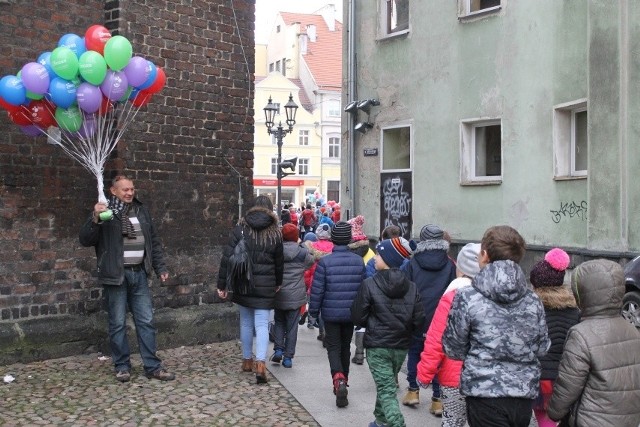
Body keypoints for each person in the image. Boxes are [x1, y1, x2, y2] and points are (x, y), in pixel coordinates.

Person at [442, 225, 550, 427]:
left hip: (484, 393)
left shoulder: (467, 297)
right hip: (522, 395)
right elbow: (542, 347)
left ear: (484, 255)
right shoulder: (533, 301)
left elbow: (452, 348)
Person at [79, 175, 174, 383]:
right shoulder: (105, 213)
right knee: (118, 323)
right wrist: (94, 217)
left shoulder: (141, 210)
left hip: (139, 273)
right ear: (113, 191)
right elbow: (85, 239)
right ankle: (122, 366)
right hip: (116, 275)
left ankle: (152, 366)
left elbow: (153, 241)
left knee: (146, 321)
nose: (130, 193)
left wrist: (160, 268)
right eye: (125, 190)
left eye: (132, 189)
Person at [547, 259, 640, 427]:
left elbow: (569, 384)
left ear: (582, 292)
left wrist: (554, 411)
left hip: (590, 420)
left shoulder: (581, 334)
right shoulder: (633, 331)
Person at [351, 237, 425, 427]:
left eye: (379, 254)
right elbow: (419, 320)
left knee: (386, 389)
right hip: (400, 346)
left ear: (389, 259)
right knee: (387, 385)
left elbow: (358, 317)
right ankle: (380, 421)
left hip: (377, 346)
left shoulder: (370, 284)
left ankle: (396, 423)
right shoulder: (412, 287)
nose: (374, 257)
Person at [217, 195, 284, 384]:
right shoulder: (275, 233)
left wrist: (221, 285)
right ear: (270, 209)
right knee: (262, 324)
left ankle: (247, 361)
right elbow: (279, 263)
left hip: (242, 283)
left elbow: (227, 258)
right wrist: (278, 282)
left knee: (246, 322)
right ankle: (261, 364)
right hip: (266, 285)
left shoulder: (241, 229)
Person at [417, 242, 481, 427]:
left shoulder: (452, 296)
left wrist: (424, 374)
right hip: (485, 377)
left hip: (454, 376)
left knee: (453, 420)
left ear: (460, 269)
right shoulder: (493, 297)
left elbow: (436, 338)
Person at [308, 221, 366, 408]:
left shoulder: (325, 262)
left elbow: (318, 290)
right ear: (349, 239)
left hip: (331, 313)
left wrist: (314, 312)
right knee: (345, 347)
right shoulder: (358, 262)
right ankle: (345, 378)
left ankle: (337, 379)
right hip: (351, 314)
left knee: (333, 347)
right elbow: (363, 290)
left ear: (333, 239)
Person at [401, 224, 456, 414]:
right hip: (440, 319)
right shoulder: (450, 264)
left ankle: (413, 391)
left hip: (417, 317)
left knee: (415, 353)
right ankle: (437, 400)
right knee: (439, 357)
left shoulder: (412, 263)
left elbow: (405, 291)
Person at [528, 248, 580, 427]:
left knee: (545, 419)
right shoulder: (574, 310)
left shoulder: (532, 310)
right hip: (566, 378)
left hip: (540, 378)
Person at [270, 223, 314, 368]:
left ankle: (278, 349)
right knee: (292, 326)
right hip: (295, 294)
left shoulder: (277, 250)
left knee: (279, 322)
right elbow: (310, 262)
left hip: (279, 292)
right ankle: (288, 357)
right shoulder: (301, 252)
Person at [303, 223, 334, 341]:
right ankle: (327, 331)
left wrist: (306, 285)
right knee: (327, 307)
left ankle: (321, 331)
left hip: (314, 281)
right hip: (330, 281)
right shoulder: (333, 247)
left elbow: (308, 269)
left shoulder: (311, 248)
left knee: (318, 306)